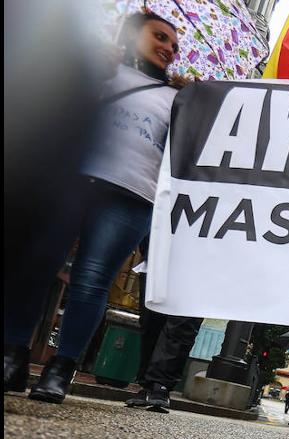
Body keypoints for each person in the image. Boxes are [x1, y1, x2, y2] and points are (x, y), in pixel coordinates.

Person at [4, 12, 182, 402]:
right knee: (37, 267)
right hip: (68, 183)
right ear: (131, 34)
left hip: (130, 195)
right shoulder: (93, 73)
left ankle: (60, 369)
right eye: (160, 36)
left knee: (92, 281)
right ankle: (12, 355)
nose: (169, 48)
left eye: (174, 44)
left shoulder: (177, 98)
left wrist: (193, 105)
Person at [125, 256, 202, 412]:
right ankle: (148, 383)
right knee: (151, 320)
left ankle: (161, 385)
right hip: (159, 253)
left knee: (183, 322)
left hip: (200, 261)